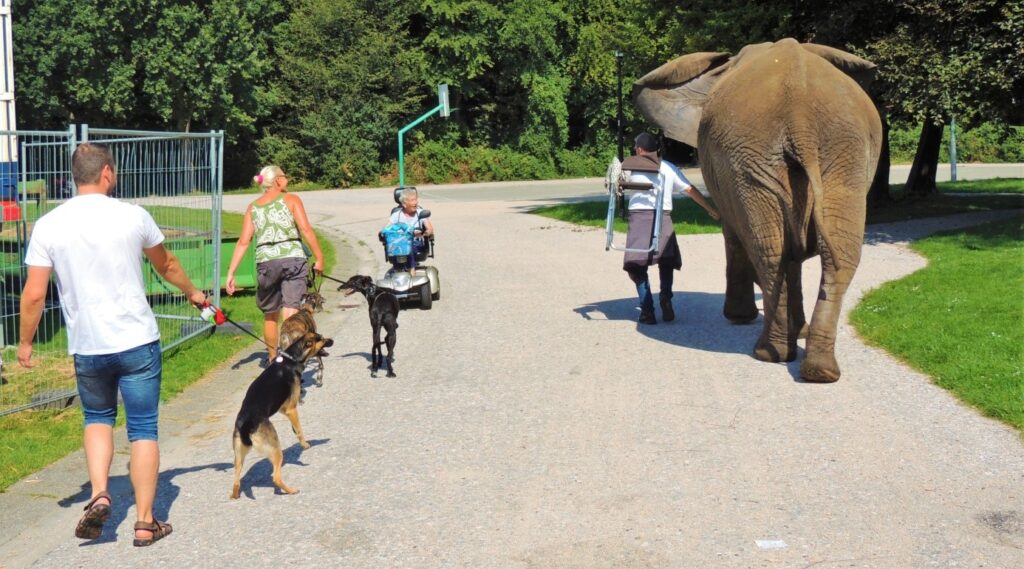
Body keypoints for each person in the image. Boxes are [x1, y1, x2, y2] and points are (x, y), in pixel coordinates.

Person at [18, 143, 207, 546]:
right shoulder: (132, 216)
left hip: (89, 345)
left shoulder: (49, 225)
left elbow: (34, 294)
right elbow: (167, 264)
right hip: (137, 340)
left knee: (97, 419)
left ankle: (99, 493)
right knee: (143, 428)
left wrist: (25, 343)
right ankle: (144, 522)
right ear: (107, 172)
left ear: (74, 175)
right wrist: (193, 293)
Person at [225, 166, 324, 360]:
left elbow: (244, 241)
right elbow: (305, 229)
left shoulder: (253, 207)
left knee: (270, 314)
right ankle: (290, 359)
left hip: (267, 263)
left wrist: (231, 272)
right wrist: (319, 257)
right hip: (293, 259)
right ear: (278, 181)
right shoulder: (292, 199)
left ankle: (273, 359)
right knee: (292, 311)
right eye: (284, 177)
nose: (287, 180)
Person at [622, 132, 719, 324]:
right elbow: (689, 189)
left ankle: (647, 310)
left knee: (637, 266)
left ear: (640, 150)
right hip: (663, 218)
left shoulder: (629, 167)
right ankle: (665, 297)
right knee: (666, 262)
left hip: (639, 218)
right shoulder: (668, 167)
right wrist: (710, 209)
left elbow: (613, 186)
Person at [388, 187, 433, 269]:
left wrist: (423, 233)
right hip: (399, 244)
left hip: (415, 243)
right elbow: (387, 228)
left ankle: (411, 272)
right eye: (412, 200)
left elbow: (430, 229)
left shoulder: (420, 213)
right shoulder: (396, 215)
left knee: (408, 245)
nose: (416, 203)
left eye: (416, 200)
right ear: (404, 204)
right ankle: (397, 271)